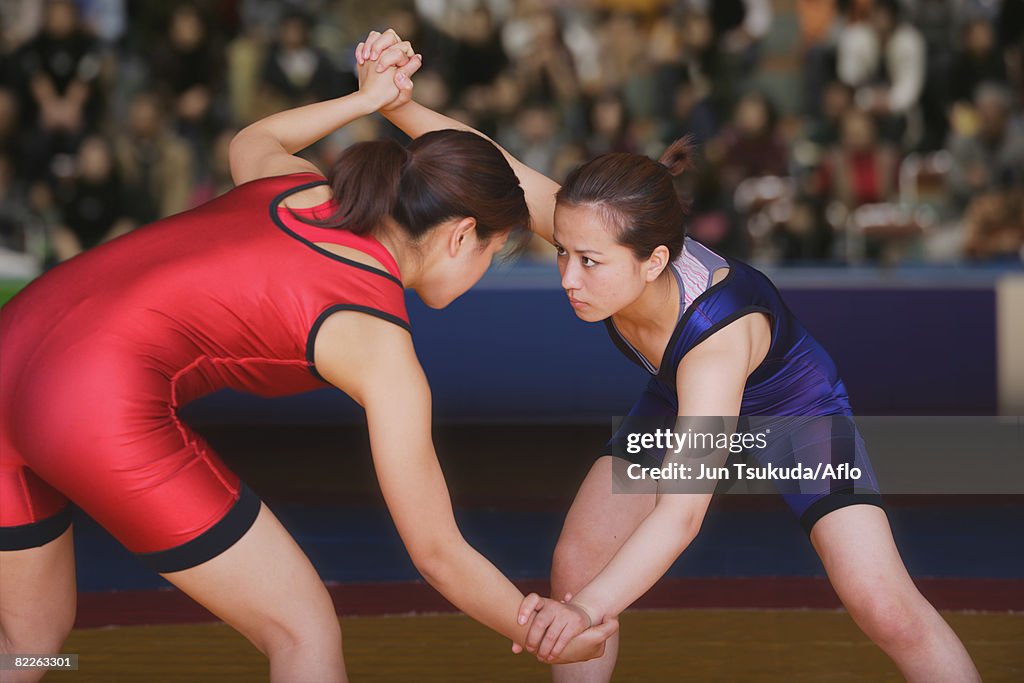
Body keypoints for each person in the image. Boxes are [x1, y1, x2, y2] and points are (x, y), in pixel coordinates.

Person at [360, 29, 982, 683]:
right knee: (579, 566)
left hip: (792, 416)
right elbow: (494, 163)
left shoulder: (715, 341)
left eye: (589, 263)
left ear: (654, 259)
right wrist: (395, 103)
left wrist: (592, 611)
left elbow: (681, 515)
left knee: (885, 607)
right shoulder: (600, 229)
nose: (568, 277)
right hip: (677, 398)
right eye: (564, 254)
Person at [0, 32, 615, 683]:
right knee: (302, 630)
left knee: (28, 637)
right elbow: (436, 551)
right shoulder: (378, 342)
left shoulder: (300, 188)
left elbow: (252, 138)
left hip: (11, 346)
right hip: (91, 407)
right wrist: (536, 629)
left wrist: (367, 99)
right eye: (495, 251)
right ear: (462, 235)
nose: (487, 266)